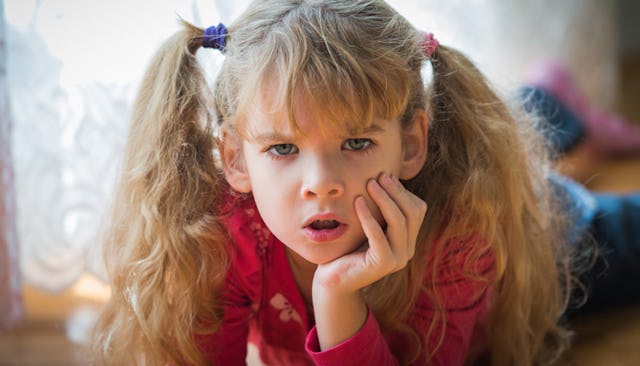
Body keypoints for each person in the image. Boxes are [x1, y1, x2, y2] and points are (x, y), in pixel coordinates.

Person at [91, 1, 636, 365]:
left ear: (413, 144)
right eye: (283, 148)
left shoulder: (462, 233)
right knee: (516, 126)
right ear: (234, 159)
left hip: (557, 229)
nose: (321, 185)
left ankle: (550, 100)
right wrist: (337, 287)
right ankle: (549, 94)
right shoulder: (214, 241)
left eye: (355, 144)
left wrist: (336, 301)